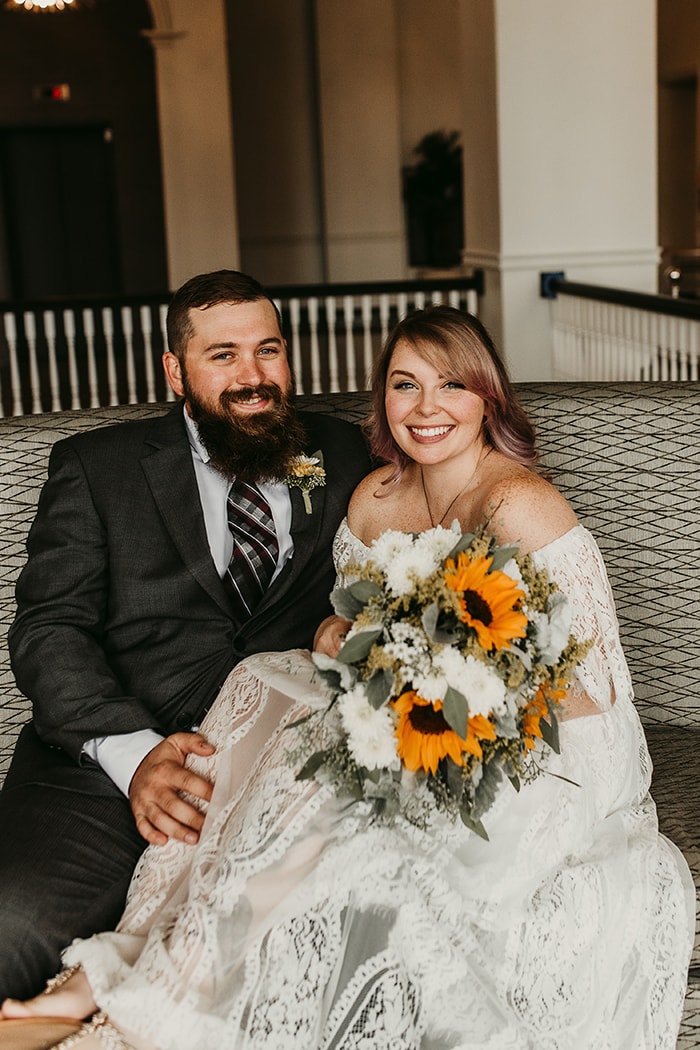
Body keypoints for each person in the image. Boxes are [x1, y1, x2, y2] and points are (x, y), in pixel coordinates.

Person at [1, 306, 694, 1050]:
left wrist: (443, 672)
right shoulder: (372, 498)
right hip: (395, 712)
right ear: (382, 397)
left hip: (534, 743)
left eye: (451, 385)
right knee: (272, 700)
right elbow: (342, 623)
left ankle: (152, 994)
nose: (427, 408)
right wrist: (351, 636)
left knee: (337, 791)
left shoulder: (517, 504)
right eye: (405, 385)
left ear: (487, 396)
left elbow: (594, 686)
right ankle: (143, 967)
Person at [0, 269, 370, 1002]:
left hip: (277, 767)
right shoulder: (96, 468)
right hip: (103, 770)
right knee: (14, 928)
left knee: (305, 952)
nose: (254, 377)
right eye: (223, 355)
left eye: (268, 350)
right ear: (175, 369)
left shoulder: (346, 452)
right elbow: (48, 630)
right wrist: (132, 757)